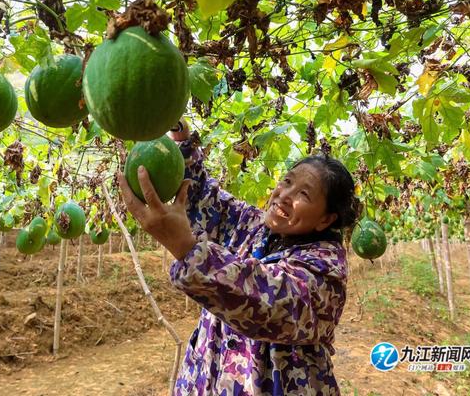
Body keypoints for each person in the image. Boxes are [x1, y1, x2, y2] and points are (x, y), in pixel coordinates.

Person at [117, 120, 361, 395]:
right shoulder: (254, 226)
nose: (284, 195)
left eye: (303, 193)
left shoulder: (325, 272)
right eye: (287, 181)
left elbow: (266, 301)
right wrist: (180, 137)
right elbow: (206, 198)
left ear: (326, 219)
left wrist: (188, 249)